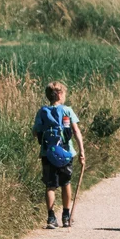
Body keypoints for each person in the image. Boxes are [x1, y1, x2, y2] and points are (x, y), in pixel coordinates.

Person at [32, 82, 86, 229]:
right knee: (65, 183)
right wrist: (82, 151)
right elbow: (76, 132)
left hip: (47, 154)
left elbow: (35, 132)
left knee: (50, 186)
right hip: (66, 153)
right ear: (60, 94)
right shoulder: (67, 110)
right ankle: (66, 216)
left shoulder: (42, 112)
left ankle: (50, 218)